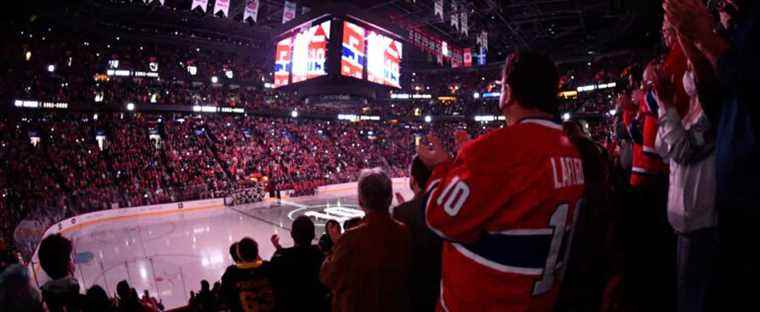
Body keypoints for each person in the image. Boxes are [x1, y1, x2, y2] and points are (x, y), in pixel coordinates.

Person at [416, 50, 585, 311]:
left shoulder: (497, 149)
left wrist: (441, 168)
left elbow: (438, 220)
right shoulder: (570, 150)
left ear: (508, 92)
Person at [664, 0, 759, 308]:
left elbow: (684, 148)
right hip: (734, 214)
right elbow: (719, 104)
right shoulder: (739, 30)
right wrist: (689, 39)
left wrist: (706, 37)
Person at [320, 168, 411, 312]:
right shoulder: (405, 232)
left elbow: (328, 277)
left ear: (360, 201)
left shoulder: (349, 239)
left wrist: (336, 246)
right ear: (389, 197)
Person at [391, 155, 441, 312]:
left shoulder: (402, 213)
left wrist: (405, 210)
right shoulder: (447, 209)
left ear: (413, 180)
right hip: (443, 293)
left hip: (414, 294)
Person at [270, 216, 329, 312]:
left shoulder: (280, 258)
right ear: (313, 235)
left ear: (291, 234)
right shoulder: (323, 258)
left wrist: (279, 250)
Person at [221, 237, 275, 312]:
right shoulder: (269, 267)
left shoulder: (231, 272)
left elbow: (224, 296)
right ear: (257, 252)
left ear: (239, 255)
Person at [38, 233, 84, 312]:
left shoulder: (46, 297)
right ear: (68, 265)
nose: (72, 261)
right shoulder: (81, 301)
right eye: (69, 259)